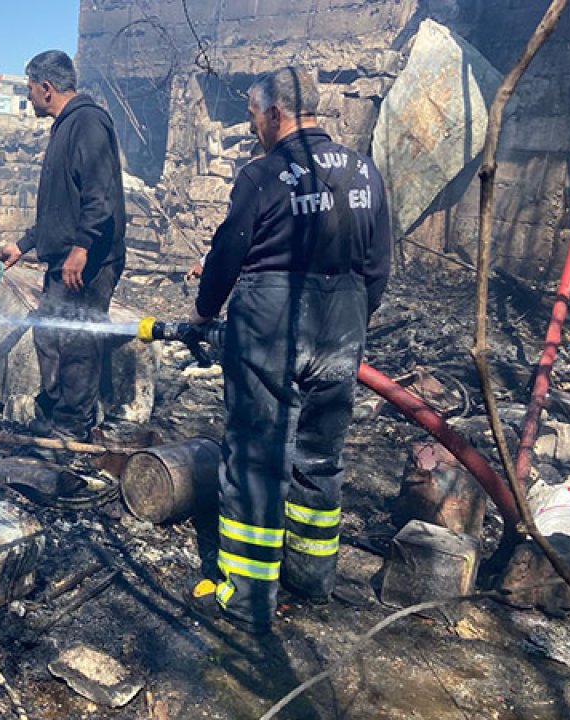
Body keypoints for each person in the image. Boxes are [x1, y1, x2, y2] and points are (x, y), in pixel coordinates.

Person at [189, 67, 392, 633]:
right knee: (321, 454)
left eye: (254, 116)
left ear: (274, 113)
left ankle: (247, 596)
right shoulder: (364, 171)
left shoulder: (263, 173)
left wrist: (204, 312)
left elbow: (229, 255)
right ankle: (311, 578)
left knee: (257, 457)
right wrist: (349, 323)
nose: (253, 127)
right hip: (343, 325)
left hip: (271, 325)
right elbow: (377, 268)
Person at [0, 50, 127, 443]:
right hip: (68, 256)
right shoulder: (65, 127)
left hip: (90, 260)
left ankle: (73, 428)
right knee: (49, 334)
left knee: (78, 342)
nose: (29, 96)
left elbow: (99, 197)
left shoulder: (87, 123)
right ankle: (59, 413)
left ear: (46, 88)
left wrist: (82, 248)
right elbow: (60, 207)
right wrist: (24, 244)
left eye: (30, 89)